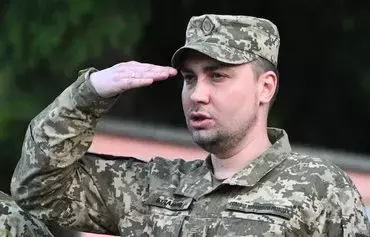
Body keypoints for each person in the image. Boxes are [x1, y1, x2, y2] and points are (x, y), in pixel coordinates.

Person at [10, 14, 369, 236]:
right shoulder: (154, 188)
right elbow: (37, 188)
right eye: (190, 78)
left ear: (266, 87)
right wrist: (89, 93)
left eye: (217, 76)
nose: (197, 94)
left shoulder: (318, 189)